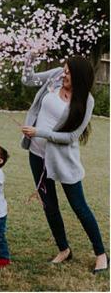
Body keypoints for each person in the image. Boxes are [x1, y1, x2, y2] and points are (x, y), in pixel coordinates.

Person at [21, 54, 108, 274]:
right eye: (64, 69)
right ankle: (64, 249)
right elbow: (28, 80)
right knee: (49, 205)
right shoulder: (55, 77)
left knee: (79, 206)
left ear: (78, 76)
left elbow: (71, 136)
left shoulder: (86, 101)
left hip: (64, 160)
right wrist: (29, 59)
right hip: (37, 155)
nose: (63, 73)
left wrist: (39, 132)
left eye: (68, 71)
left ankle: (101, 254)